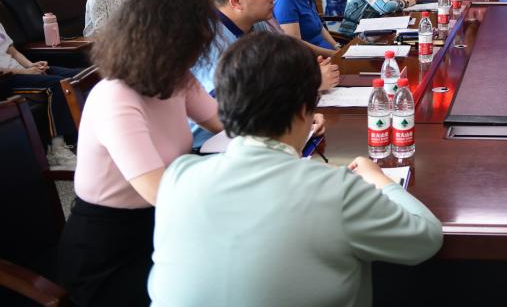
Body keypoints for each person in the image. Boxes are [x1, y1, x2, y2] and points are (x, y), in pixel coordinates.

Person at [148, 32, 443, 307]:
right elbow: (426, 238)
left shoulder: (178, 177)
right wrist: (380, 179)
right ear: (305, 110)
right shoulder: (337, 190)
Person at [58, 0, 225, 306]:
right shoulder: (115, 97)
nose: (200, 52)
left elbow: (227, 123)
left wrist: (286, 126)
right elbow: (157, 191)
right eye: (194, 43)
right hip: (110, 252)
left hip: (161, 228)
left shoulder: (177, 79)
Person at [190, 0, 338, 147]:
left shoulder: (257, 23)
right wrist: (309, 85)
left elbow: (283, 68)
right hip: (216, 145)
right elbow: (234, 110)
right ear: (237, 1)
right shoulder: (212, 43)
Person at [0, 20, 81, 164]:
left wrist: (31, 65)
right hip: (6, 80)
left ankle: (88, 135)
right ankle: (57, 150)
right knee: (57, 84)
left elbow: (13, 51)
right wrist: (26, 72)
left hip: (22, 71)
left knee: (78, 75)